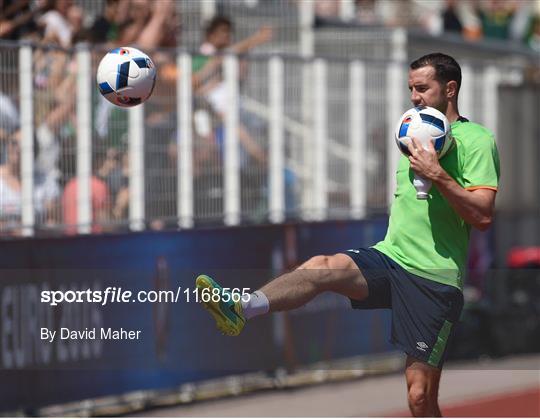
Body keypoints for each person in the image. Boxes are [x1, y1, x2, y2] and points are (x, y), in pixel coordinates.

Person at [196, 53, 500, 417]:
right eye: (411, 89)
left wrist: (437, 174)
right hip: (391, 258)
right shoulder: (411, 132)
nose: (415, 97)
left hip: (434, 278)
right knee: (323, 266)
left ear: (450, 89)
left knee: (419, 397)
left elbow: (481, 215)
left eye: (422, 88)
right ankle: (242, 307)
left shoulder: (476, 139)